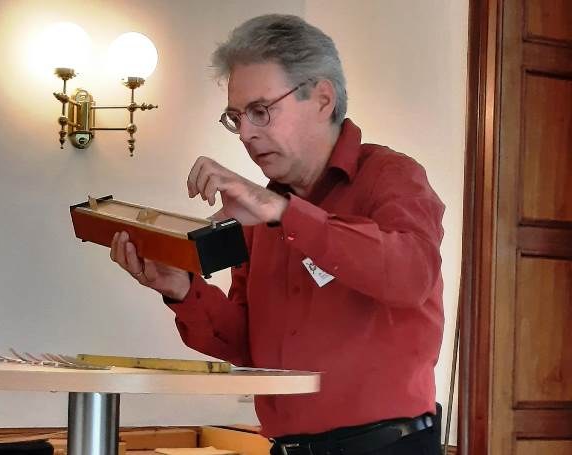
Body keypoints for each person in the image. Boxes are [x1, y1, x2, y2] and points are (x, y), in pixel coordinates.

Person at [110, 14, 445, 455]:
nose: (247, 134)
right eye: (236, 117)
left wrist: (284, 213)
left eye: (261, 111)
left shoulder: (391, 176)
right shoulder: (262, 214)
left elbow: (410, 276)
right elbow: (249, 346)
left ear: (322, 99)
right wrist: (183, 289)